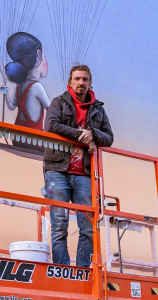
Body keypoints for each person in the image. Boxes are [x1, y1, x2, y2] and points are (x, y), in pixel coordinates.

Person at [43, 65, 113, 267]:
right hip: (58, 170)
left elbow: (109, 137)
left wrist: (93, 134)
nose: (81, 82)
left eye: (85, 79)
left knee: (88, 227)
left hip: (84, 174)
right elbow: (51, 125)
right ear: (70, 82)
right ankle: (62, 269)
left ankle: (82, 271)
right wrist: (84, 137)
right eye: (77, 79)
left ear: (90, 83)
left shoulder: (98, 109)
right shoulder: (59, 102)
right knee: (59, 225)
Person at [4, 32, 51, 130]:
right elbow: (51, 110)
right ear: (39, 55)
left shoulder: (19, 86)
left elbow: (11, 107)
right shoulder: (37, 87)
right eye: (44, 56)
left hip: (17, 136)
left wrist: (5, 93)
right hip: (33, 140)